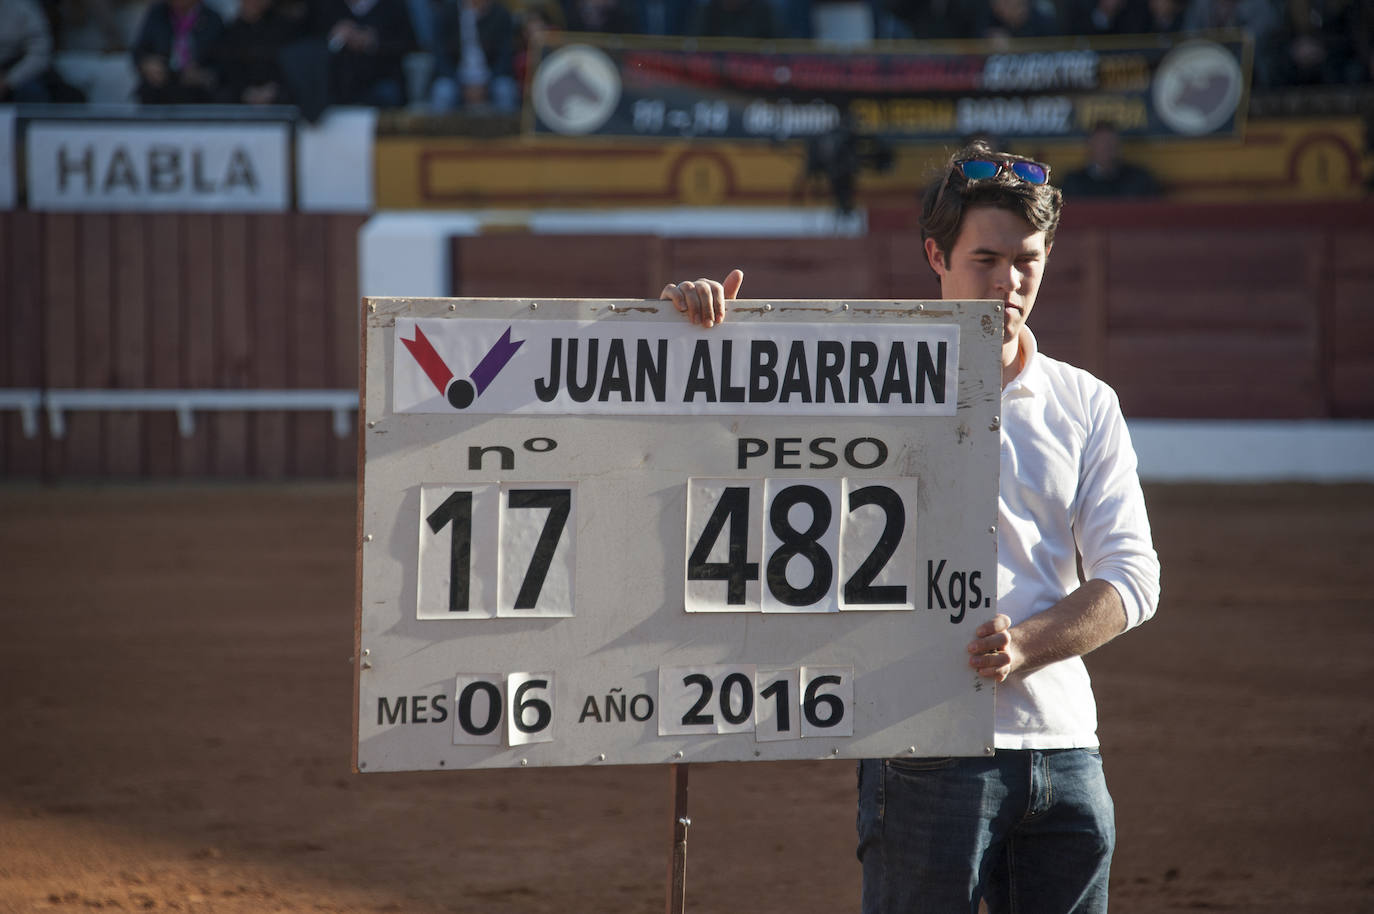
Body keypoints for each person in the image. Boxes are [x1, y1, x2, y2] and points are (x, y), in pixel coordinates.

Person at [660, 142, 1162, 913]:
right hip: (923, 744)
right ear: (937, 254)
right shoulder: (865, 383)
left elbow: (1131, 578)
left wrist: (1025, 646)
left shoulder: (1086, 403)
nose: (1008, 282)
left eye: (1026, 260)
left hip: (1065, 750)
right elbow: (719, 445)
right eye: (985, 259)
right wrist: (696, 331)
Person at [130, 0, 224, 103]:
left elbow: (223, 65)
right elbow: (139, 51)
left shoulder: (213, 19)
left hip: (198, 93)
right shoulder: (157, 14)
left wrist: (204, 75)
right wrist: (147, 63)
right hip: (160, 87)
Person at [1061, 121, 1163, 198]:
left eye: (1110, 143)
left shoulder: (1138, 180)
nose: (1106, 148)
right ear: (1090, 146)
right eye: (1101, 143)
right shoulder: (1074, 183)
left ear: (1118, 147)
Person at [0, 0, 55, 102]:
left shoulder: (23, 7)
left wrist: (9, 80)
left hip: (15, 67)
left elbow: (40, 53)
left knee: (32, 92)